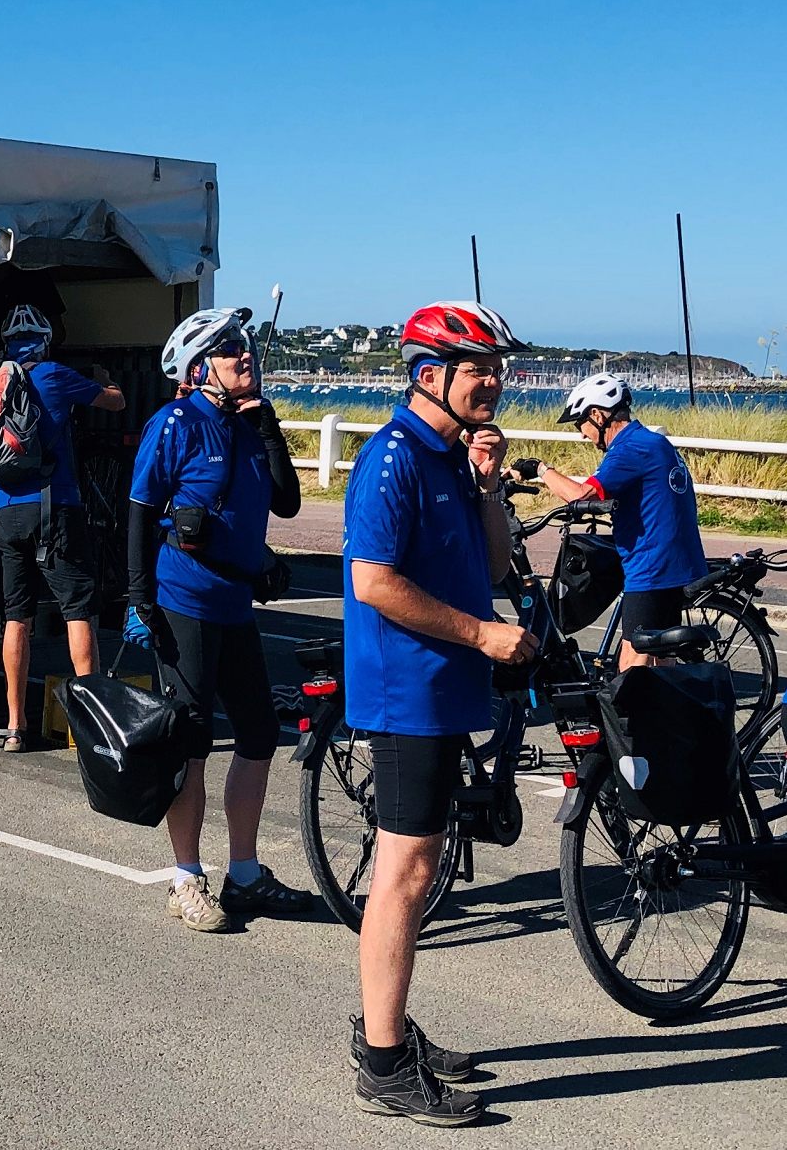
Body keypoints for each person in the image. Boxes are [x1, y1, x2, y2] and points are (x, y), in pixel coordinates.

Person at [342, 301, 537, 1125]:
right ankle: (383, 1062)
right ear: (431, 376)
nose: (493, 380)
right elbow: (372, 581)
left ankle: (386, 1033)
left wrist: (489, 488)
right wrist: (483, 635)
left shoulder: (452, 456)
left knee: (417, 866)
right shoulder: (391, 459)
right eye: (477, 367)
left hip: (440, 686)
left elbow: (492, 561)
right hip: (406, 689)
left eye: (495, 366)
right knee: (406, 870)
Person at [125, 307, 313, 931]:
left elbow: (286, 501)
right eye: (230, 349)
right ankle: (185, 876)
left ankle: (245, 873)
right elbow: (140, 506)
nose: (245, 354)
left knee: (259, 734)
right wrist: (139, 596)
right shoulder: (176, 423)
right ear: (200, 365)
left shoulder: (244, 427)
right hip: (185, 601)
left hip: (235, 605)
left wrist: (268, 426)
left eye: (247, 346)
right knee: (194, 743)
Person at [0, 304, 126, 751]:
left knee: (17, 617)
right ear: (45, 341)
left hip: (6, 511)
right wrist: (106, 378)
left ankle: (14, 725)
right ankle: (94, 724)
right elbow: (114, 402)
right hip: (55, 509)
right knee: (77, 610)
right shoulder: (53, 374)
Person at [533, 373, 707, 667]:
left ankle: (629, 714)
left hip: (652, 568)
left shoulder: (630, 449)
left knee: (632, 665)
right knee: (661, 661)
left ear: (598, 415)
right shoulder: (653, 442)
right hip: (675, 563)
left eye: (581, 424)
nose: (581, 434)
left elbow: (582, 494)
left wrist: (541, 470)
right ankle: (664, 713)